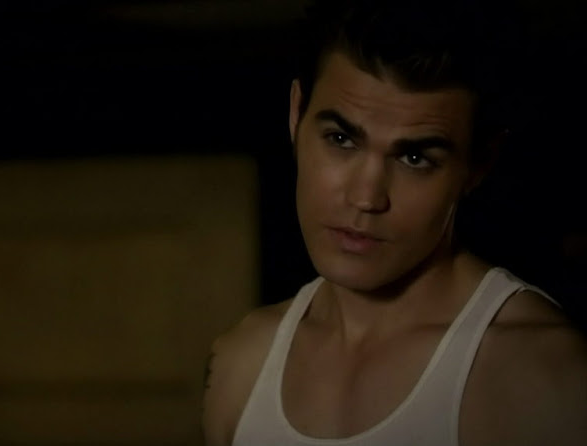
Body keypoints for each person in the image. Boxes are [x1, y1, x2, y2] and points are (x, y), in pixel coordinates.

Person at [202, 1, 587, 445]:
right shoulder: (242, 361)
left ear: (478, 165)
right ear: (296, 114)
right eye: (341, 139)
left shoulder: (536, 372)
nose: (366, 198)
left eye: (414, 158)